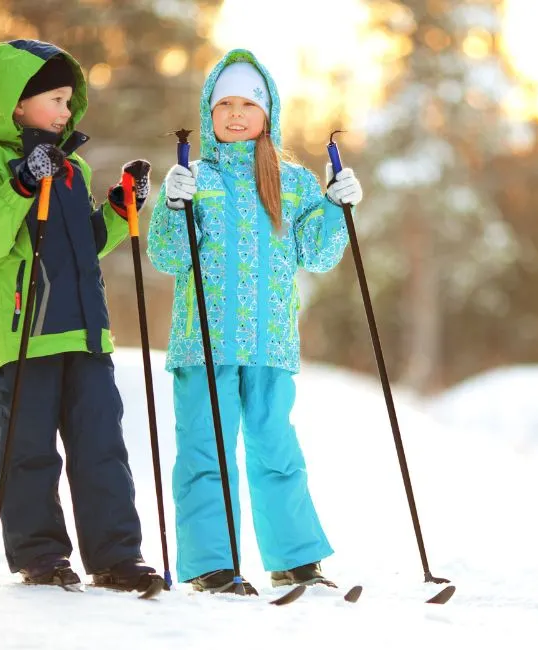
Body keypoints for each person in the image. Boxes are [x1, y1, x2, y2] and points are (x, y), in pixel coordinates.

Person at [147, 49, 364, 594]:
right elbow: (169, 258)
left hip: (270, 341)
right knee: (206, 448)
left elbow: (317, 253)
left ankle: (295, 559)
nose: (237, 114)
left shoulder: (291, 183)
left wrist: (338, 207)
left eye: (249, 103)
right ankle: (210, 565)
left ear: (268, 113)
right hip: (204, 342)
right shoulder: (194, 178)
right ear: (208, 112)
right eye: (226, 104)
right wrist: (172, 208)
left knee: (276, 448)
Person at [0, 39, 162, 594]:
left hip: (86, 335)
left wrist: (121, 205)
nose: (67, 111)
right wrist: (21, 182)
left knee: (101, 448)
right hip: (27, 336)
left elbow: (82, 244)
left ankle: (117, 556)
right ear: (16, 104)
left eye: (70, 100)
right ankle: (40, 554)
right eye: (56, 99)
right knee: (30, 451)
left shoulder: (68, 169)